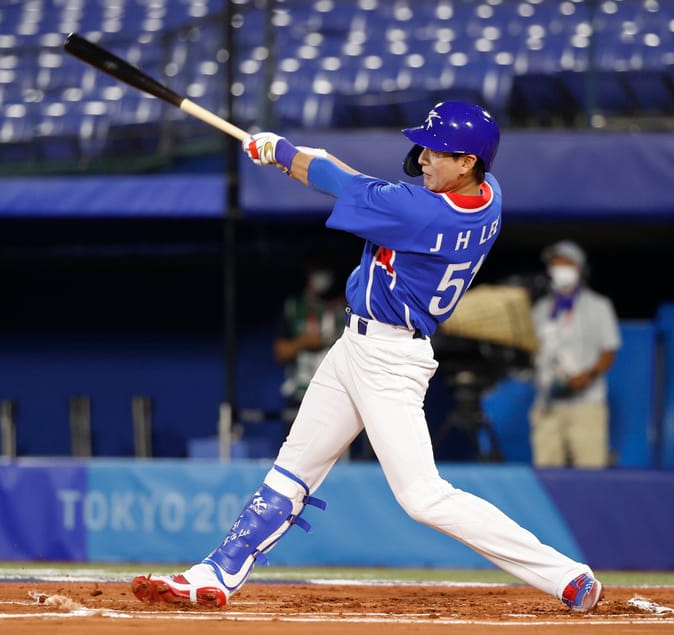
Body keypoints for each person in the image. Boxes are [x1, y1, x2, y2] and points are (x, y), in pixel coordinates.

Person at [131, 101, 602, 614]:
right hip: (357, 346)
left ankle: (566, 575)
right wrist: (295, 155)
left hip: (390, 358)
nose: (422, 157)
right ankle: (217, 574)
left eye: (436, 150)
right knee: (294, 468)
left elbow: (345, 184)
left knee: (423, 496)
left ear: (468, 161)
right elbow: (369, 189)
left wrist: (281, 152)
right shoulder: (488, 199)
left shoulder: (421, 212)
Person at [529, 240, 620, 468]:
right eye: (554, 264)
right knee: (547, 474)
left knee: (591, 473)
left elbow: (609, 350)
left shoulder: (599, 306)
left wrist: (587, 376)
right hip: (547, 403)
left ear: (579, 267)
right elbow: (534, 351)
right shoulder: (540, 309)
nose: (558, 269)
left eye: (565, 263)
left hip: (586, 403)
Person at [274, 260, 347, 417]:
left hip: (337, 394)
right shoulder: (293, 306)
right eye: (318, 271)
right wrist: (303, 342)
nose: (322, 277)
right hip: (301, 394)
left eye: (325, 270)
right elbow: (280, 351)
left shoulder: (345, 305)